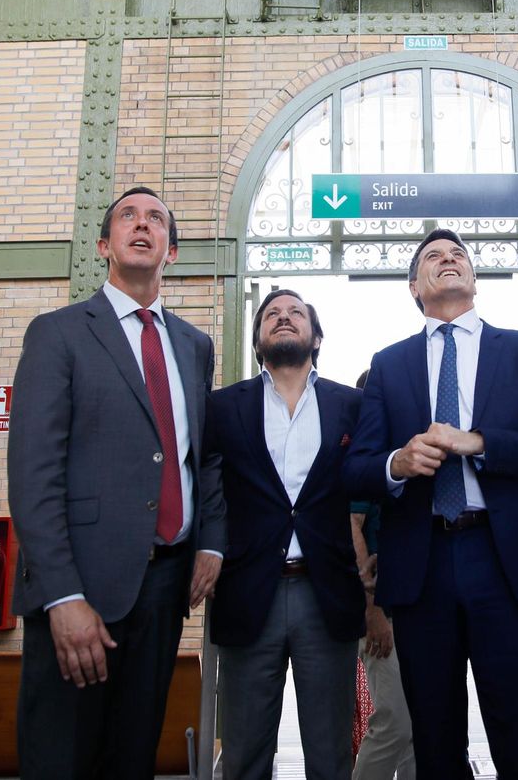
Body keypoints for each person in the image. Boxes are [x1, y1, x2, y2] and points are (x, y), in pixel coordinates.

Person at [344, 227, 518, 780]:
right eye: (433, 257)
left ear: (473, 280)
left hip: (505, 563)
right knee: (434, 743)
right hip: (422, 570)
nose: (448, 260)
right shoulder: (389, 364)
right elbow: (357, 469)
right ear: (414, 287)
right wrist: (396, 464)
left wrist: (477, 442)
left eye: (458, 256)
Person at [8, 186, 226, 780]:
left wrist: (209, 541)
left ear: (170, 251)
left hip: (164, 586)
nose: (142, 224)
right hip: (81, 590)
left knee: (131, 759)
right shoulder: (58, 334)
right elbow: (33, 476)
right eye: (127, 216)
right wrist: (61, 596)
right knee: (63, 759)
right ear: (105, 245)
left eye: (156, 218)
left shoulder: (194, 346)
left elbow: (200, 457)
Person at [208, 290, 365, 780]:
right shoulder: (223, 407)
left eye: (296, 312)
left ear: (316, 338)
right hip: (250, 591)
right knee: (243, 753)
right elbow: (209, 491)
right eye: (272, 314)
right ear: (258, 340)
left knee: (331, 752)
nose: (283, 318)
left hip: (328, 595)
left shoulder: (351, 405)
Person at [350, 377, 418, 780]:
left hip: (413, 609)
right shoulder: (369, 459)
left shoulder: (408, 453)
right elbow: (351, 524)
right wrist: (371, 612)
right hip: (381, 612)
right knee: (395, 722)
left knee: (417, 727)